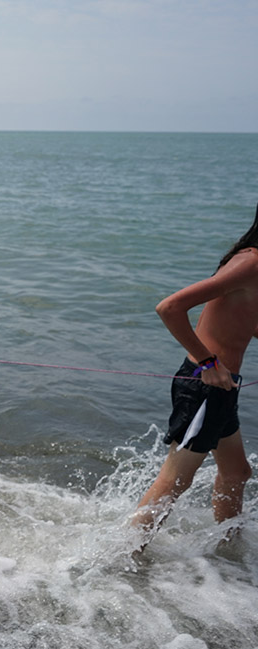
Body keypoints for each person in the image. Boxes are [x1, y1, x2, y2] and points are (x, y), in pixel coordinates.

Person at [131, 204, 258, 550]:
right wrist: (208, 363)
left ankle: (228, 549)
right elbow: (169, 307)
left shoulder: (250, 261)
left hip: (223, 387)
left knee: (236, 473)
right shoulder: (252, 262)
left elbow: (244, 322)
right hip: (205, 385)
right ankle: (124, 557)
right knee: (175, 481)